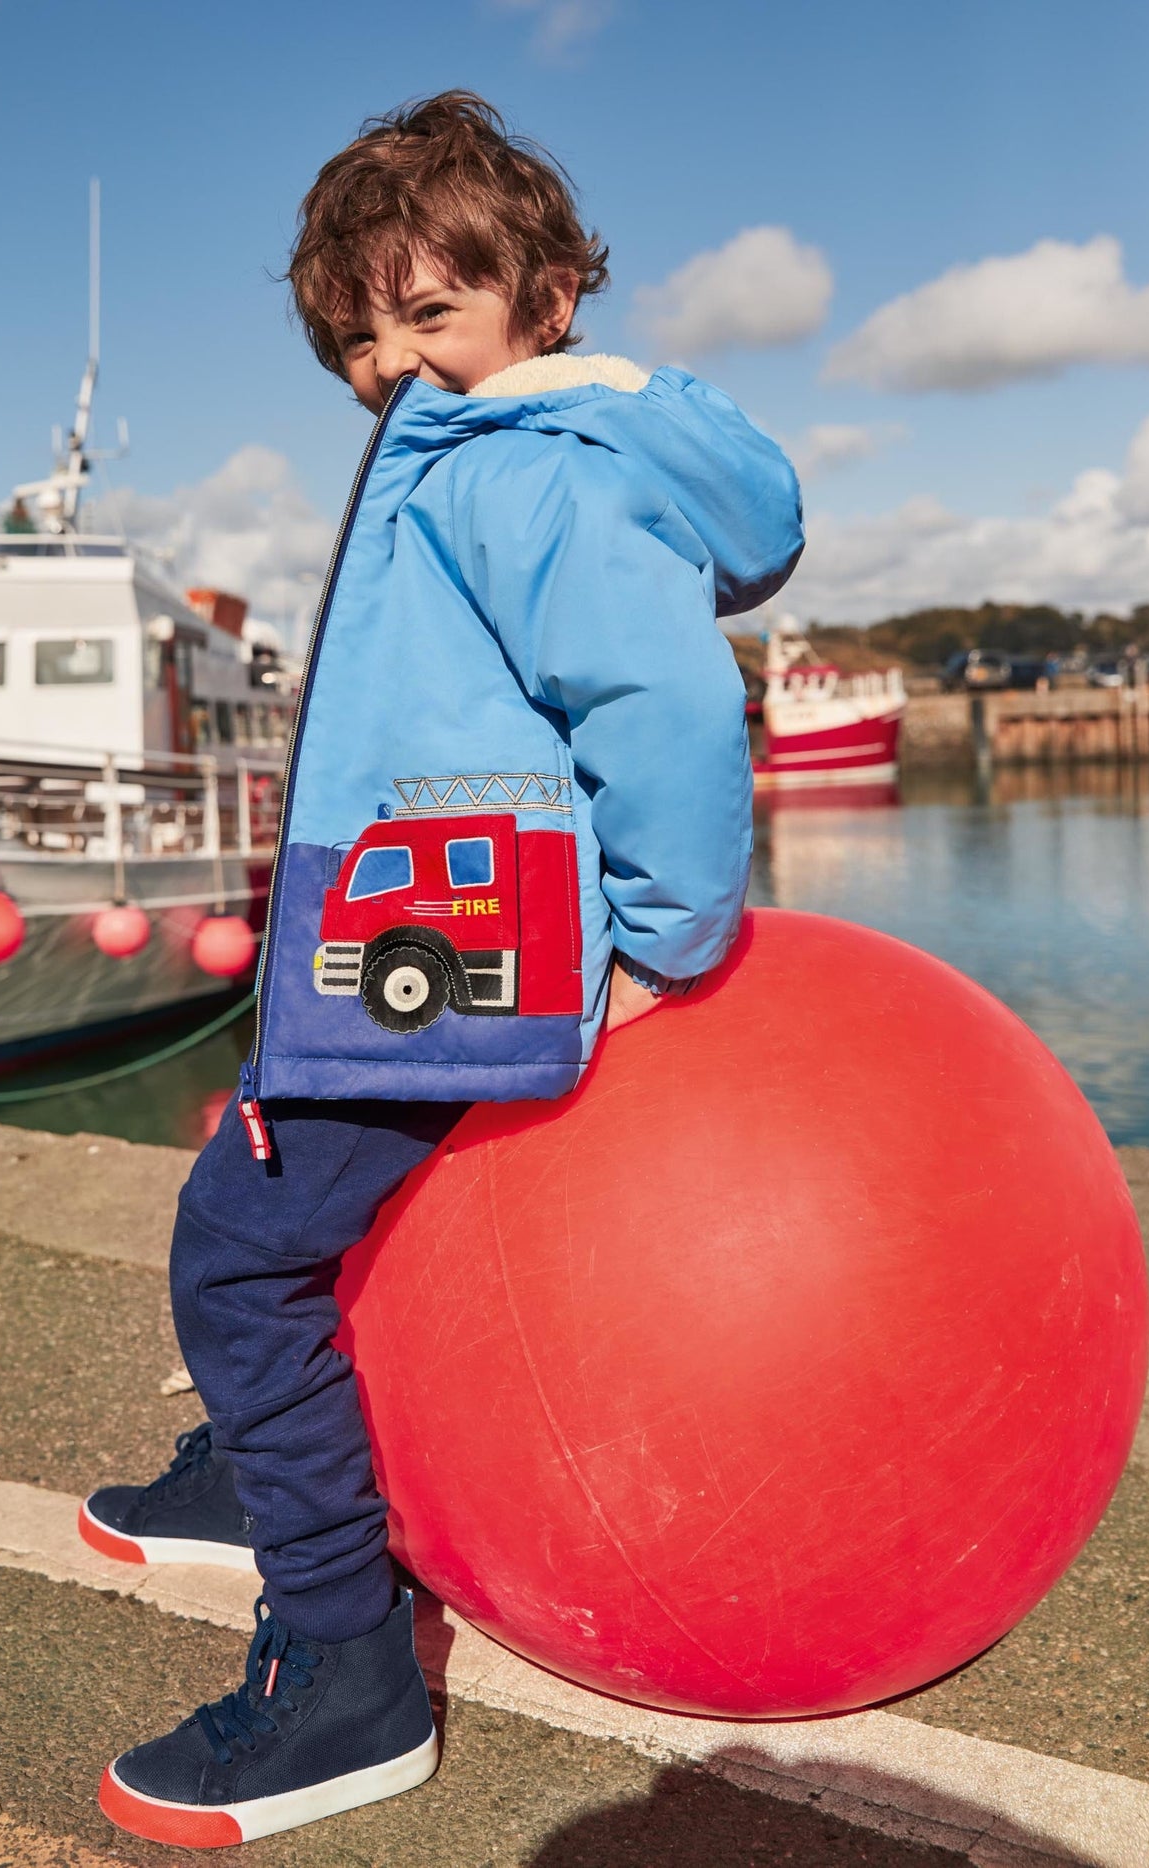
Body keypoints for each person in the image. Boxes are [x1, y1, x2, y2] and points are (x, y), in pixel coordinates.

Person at [87, 90, 803, 1850]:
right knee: (267, 1188)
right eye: (354, 332)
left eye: (427, 316)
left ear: (543, 301)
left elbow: (664, 709)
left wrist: (666, 937)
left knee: (239, 1261)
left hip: (451, 955)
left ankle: (342, 1667)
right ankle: (266, 1470)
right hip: (408, 928)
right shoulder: (480, 450)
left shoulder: (517, 472)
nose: (383, 362)